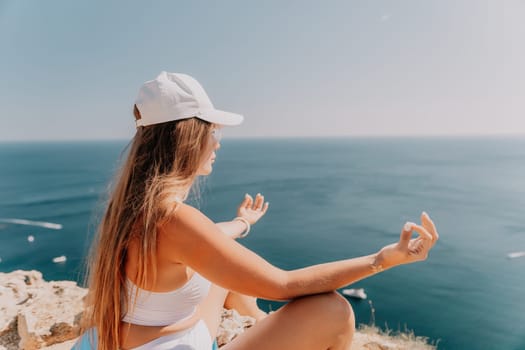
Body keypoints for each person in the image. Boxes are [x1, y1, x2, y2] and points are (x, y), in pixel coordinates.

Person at [81, 71, 439, 350]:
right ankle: (264, 330)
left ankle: (254, 323)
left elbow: (203, 242)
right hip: (172, 344)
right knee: (332, 309)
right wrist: (383, 258)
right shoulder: (174, 219)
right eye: (212, 131)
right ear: (188, 137)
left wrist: (241, 223)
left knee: (222, 275)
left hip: (133, 339)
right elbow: (282, 284)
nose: (217, 142)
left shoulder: (133, 206)